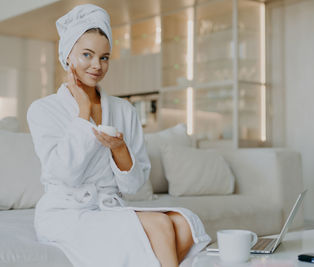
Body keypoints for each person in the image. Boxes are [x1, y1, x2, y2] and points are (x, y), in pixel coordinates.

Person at [27, 4, 210, 267]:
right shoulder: (43, 110)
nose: (97, 66)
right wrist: (82, 112)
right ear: (68, 56)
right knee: (160, 223)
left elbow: (133, 186)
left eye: (104, 57)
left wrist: (120, 148)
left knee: (184, 223)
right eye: (87, 55)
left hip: (108, 208)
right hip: (66, 214)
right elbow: (63, 174)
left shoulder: (124, 110)